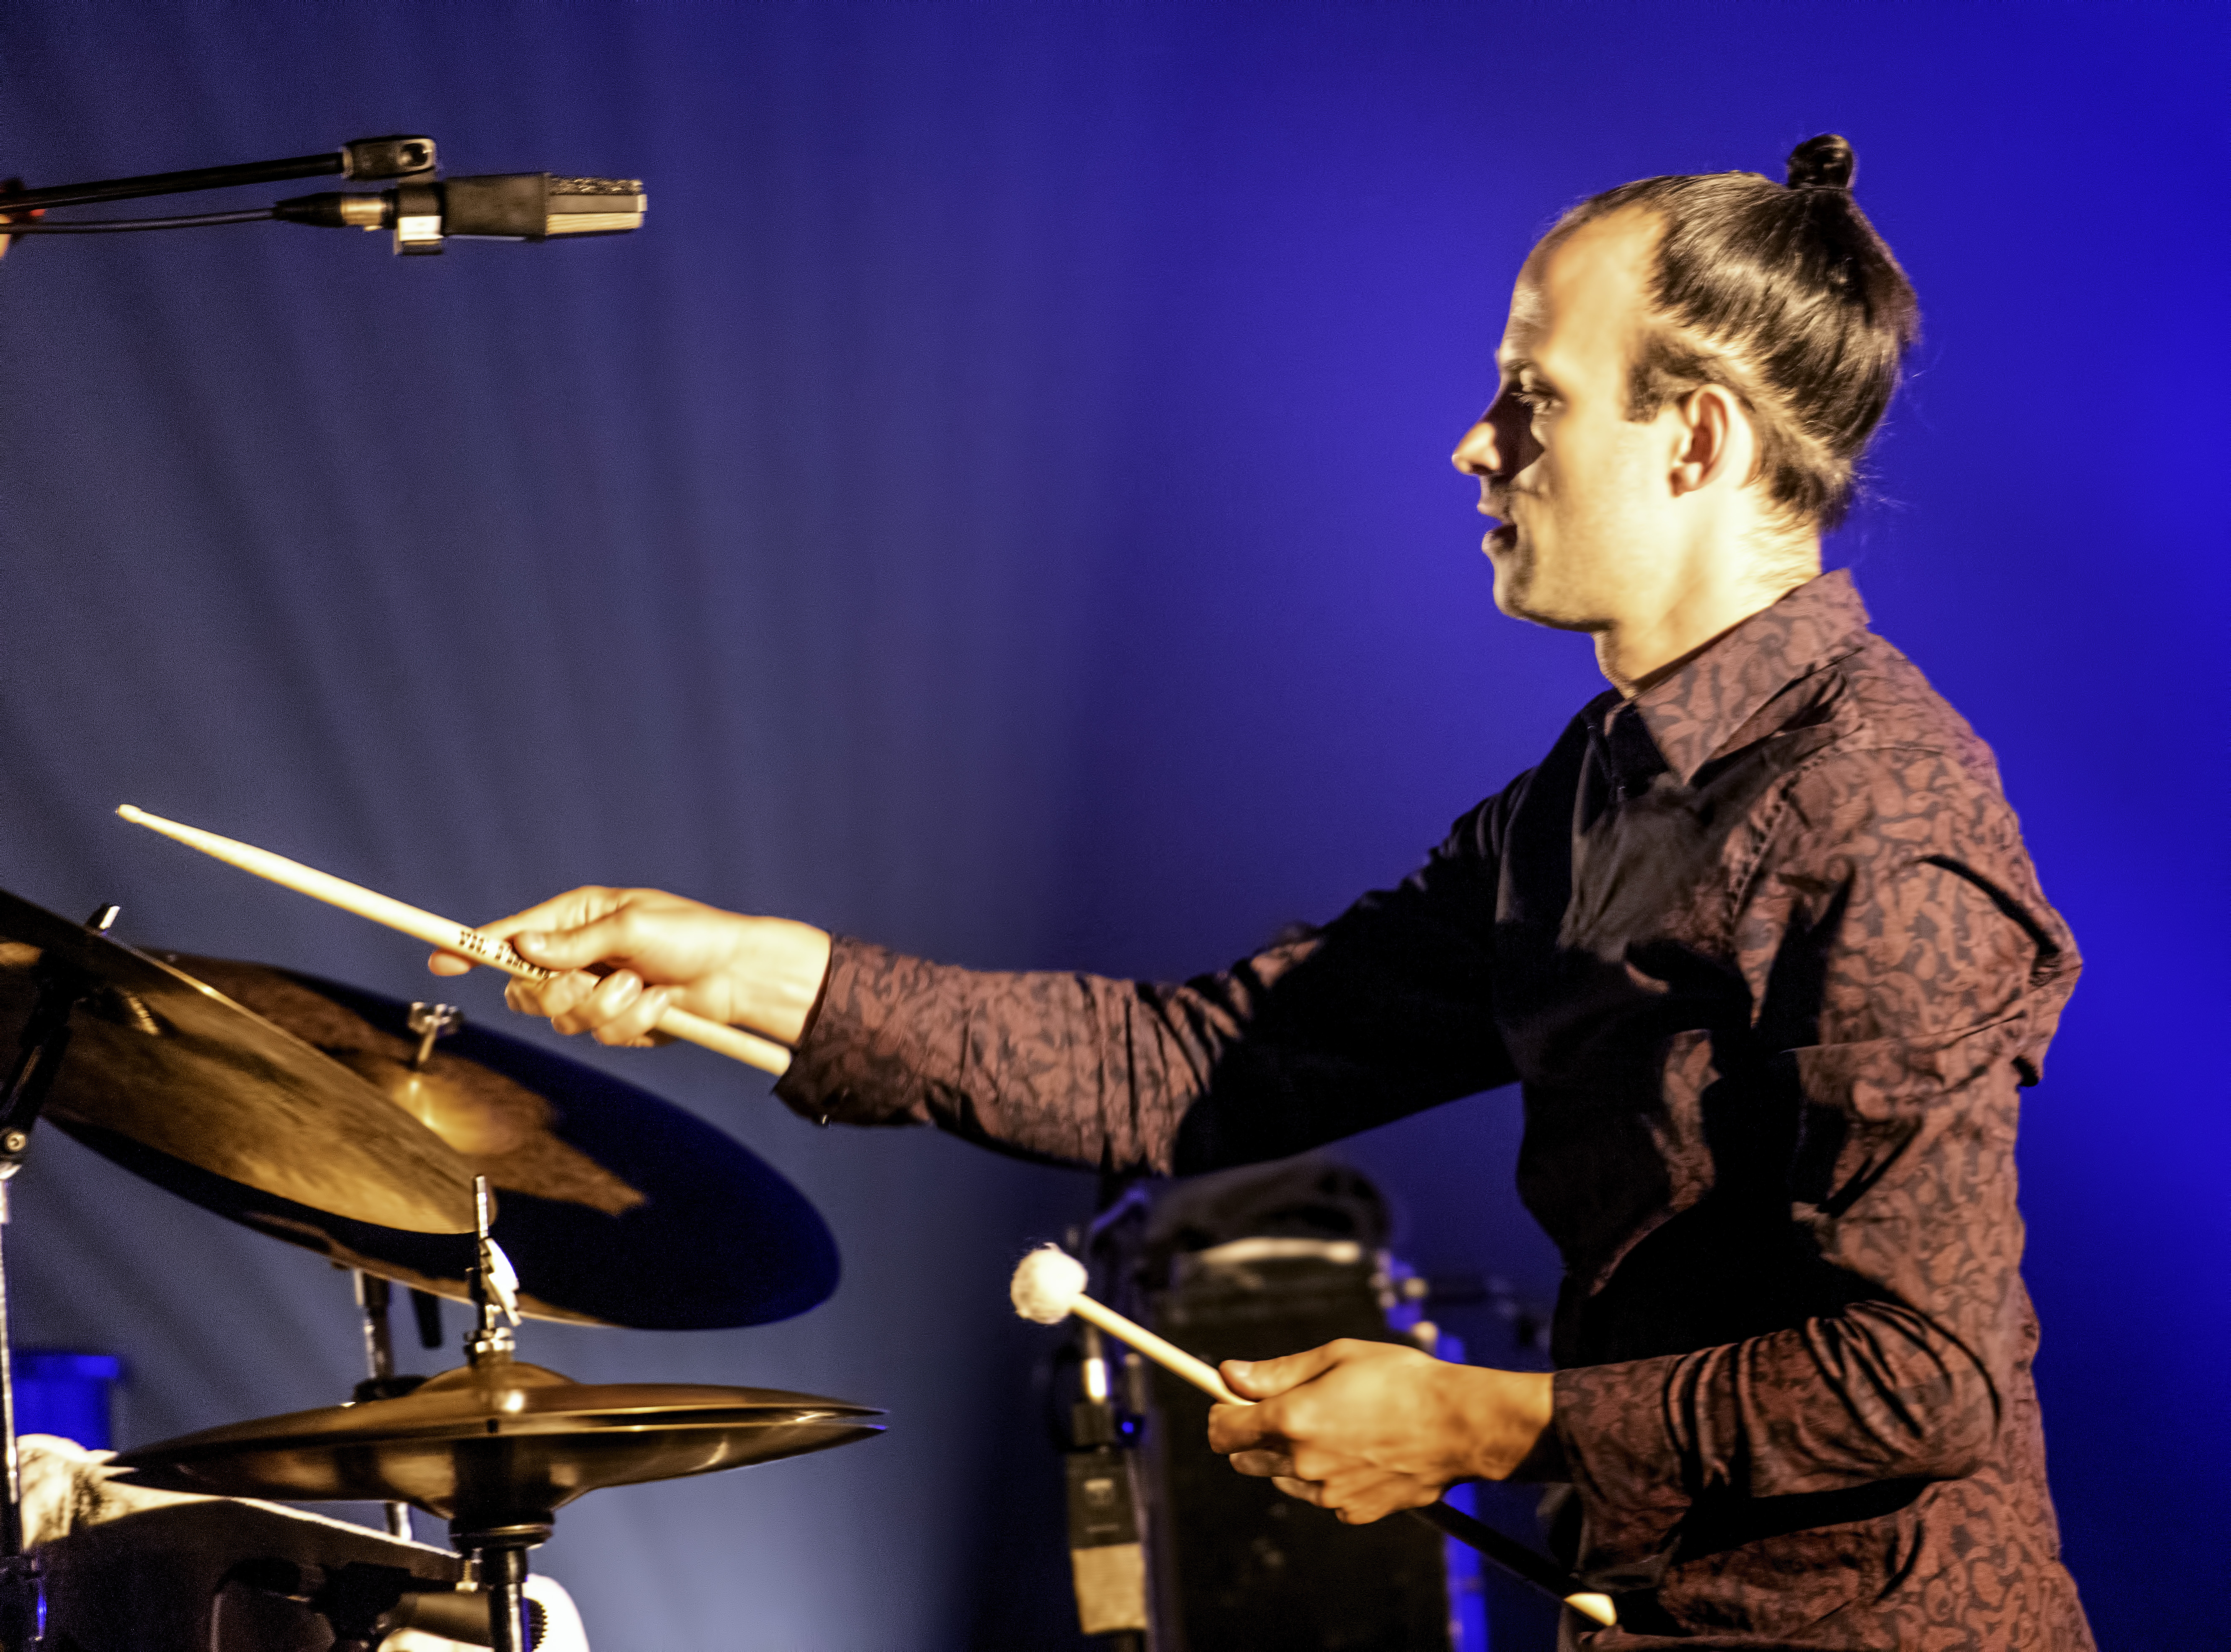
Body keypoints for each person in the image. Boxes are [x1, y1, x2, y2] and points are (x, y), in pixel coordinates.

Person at [431, 135, 2091, 1647]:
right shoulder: (1591, 802)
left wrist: (1485, 1419)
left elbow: (1920, 1377)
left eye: (1533, 396)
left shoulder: (1880, 813)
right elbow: (1188, 1062)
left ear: (1699, 437)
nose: (1474, 443)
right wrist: (746, 966)